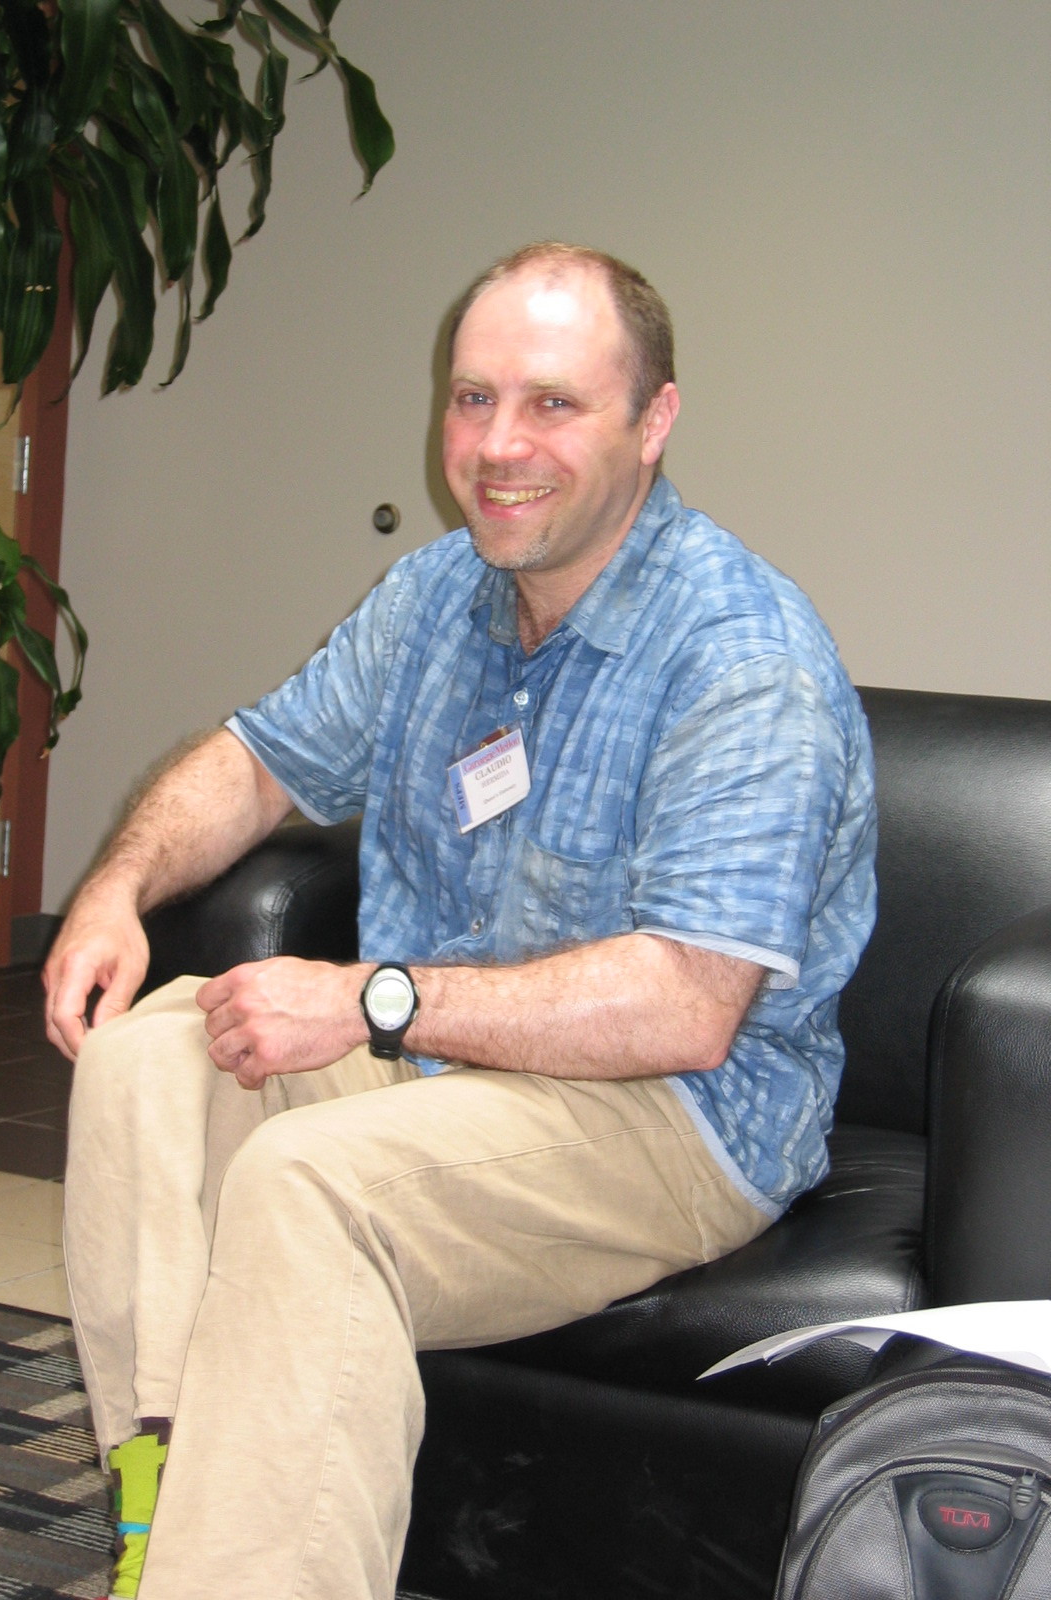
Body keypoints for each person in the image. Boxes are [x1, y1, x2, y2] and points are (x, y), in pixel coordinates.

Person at [44, 242, 876, 1600]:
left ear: (653, 422)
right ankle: (167, 1506)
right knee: (151, 1060)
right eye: (473, 398)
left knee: (312, 1184)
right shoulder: (437, 596)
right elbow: (255, 760)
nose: (498, 446)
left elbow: (686, 1005)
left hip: (675, 1112)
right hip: (449, 1059)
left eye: (553, 404)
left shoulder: (742, 655)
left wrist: (369, 997)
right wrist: (114, 887)